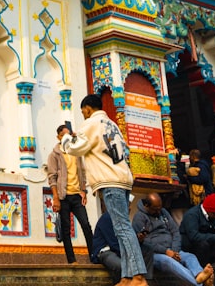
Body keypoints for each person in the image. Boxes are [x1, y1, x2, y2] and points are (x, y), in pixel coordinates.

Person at [61, 94, 149, 286]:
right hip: (123, 178)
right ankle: (127, 276)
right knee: (121, 228)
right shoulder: (112, 124)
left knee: (123, 229)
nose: (83, 114)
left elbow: (75, 148)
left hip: (110, 180)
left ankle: (139, 276)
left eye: (83, 111)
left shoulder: (91, 123)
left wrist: (66, 138)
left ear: (87, 108)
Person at [133, 193, 212, 285]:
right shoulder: (139, 217)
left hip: (172, 250)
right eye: (155, 209)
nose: (159, 212)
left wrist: (175, 251)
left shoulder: (163, 212)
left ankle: (200, 275)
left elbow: (175, 231)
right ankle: (200, 283)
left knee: (190, 256)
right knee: (169, 262)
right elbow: (145, 241)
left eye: (160, 208)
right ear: (147, 206)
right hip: (155, 254)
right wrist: (166, 251)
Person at [45, 123, 93, 264]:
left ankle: (94, 256)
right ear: (58, 137)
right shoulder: (54, 155)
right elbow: (52, 177)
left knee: (86, 225)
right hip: (63, 196)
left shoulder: (75, 152)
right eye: (63, 135)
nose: (66, 137)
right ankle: (71, 260)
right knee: (66, 229)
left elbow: (82, 172)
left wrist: (84, 191)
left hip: (77, 196)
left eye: (68, 134)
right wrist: (55, 198)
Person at [90, 210, 123, 284]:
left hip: (117, 250)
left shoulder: (122, 218)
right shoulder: (108, 217)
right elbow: (113, 243)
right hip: (105, 251)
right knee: (119, 266)